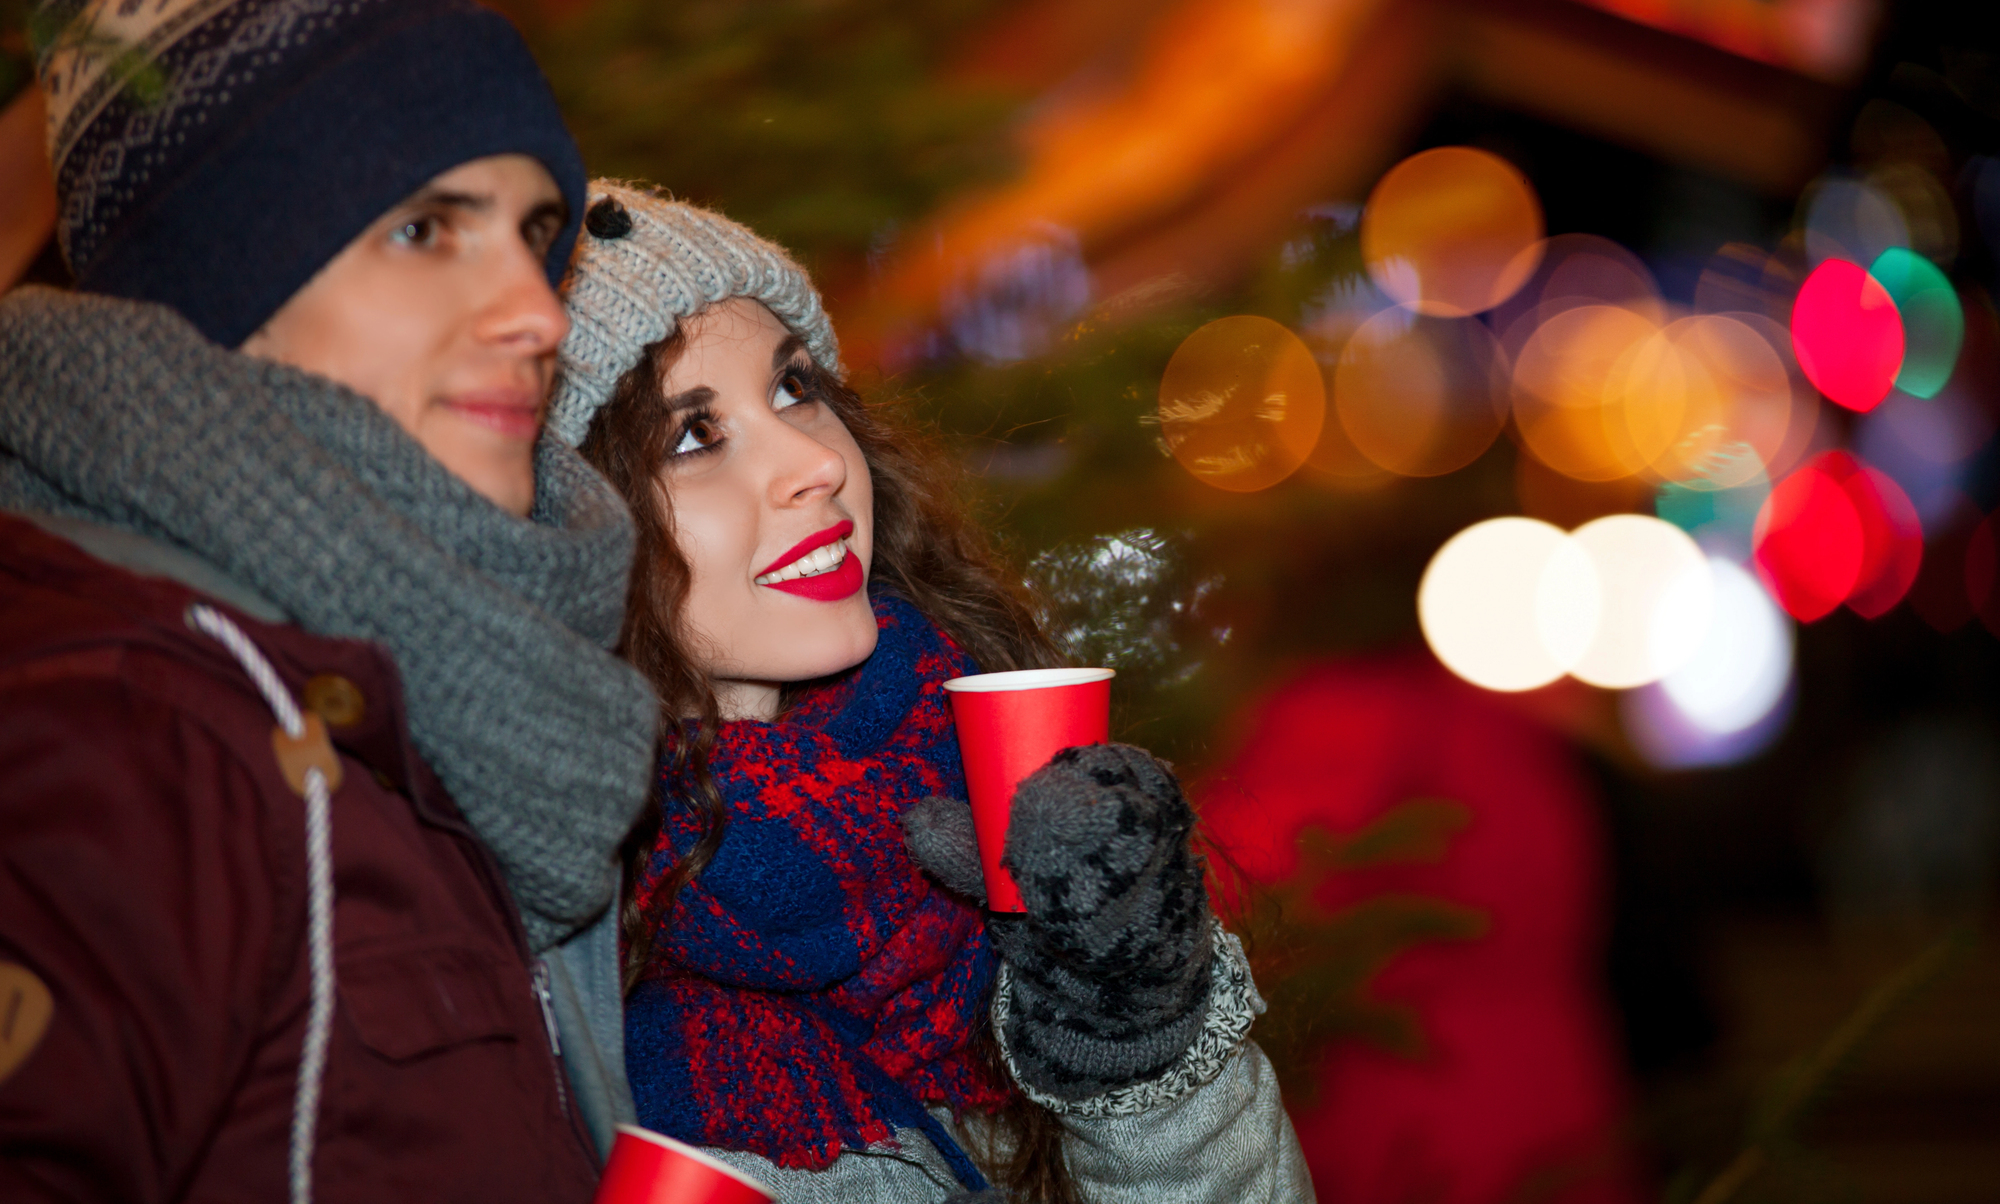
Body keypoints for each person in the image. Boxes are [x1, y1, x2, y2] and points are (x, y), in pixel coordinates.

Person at [0, 2, 658, 1199]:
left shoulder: (418, 688)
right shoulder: (117, 724)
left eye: (536, 230)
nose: (539, 312)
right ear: (209, 280)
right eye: (422, 228)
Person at [548, 181, 1314, 1203]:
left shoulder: (952, 752)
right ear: (562, 540)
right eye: (692, 435)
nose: (815, 462)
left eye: (792, 387)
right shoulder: (561, 989)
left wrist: (1136, 1047)